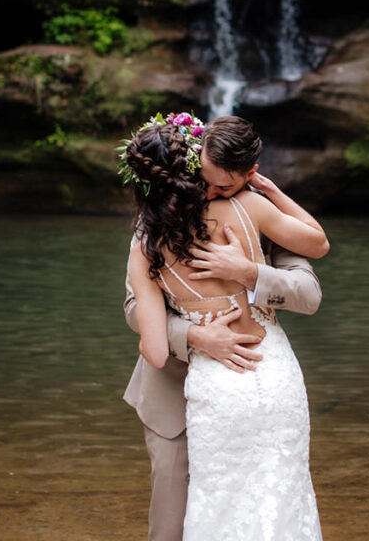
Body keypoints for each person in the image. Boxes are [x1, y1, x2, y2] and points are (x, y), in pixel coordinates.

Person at [121, 113, 328, 540]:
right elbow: (130, 308)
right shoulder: (243, 209)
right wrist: (196, 336)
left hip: (223, 388)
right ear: (194, 162)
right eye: (205, 180)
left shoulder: (149, 242)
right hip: (229, 377)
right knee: (183, 519)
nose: (210, 191)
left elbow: (308, 291)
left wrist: (251, 272)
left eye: (222, 184)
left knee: (233, 502)